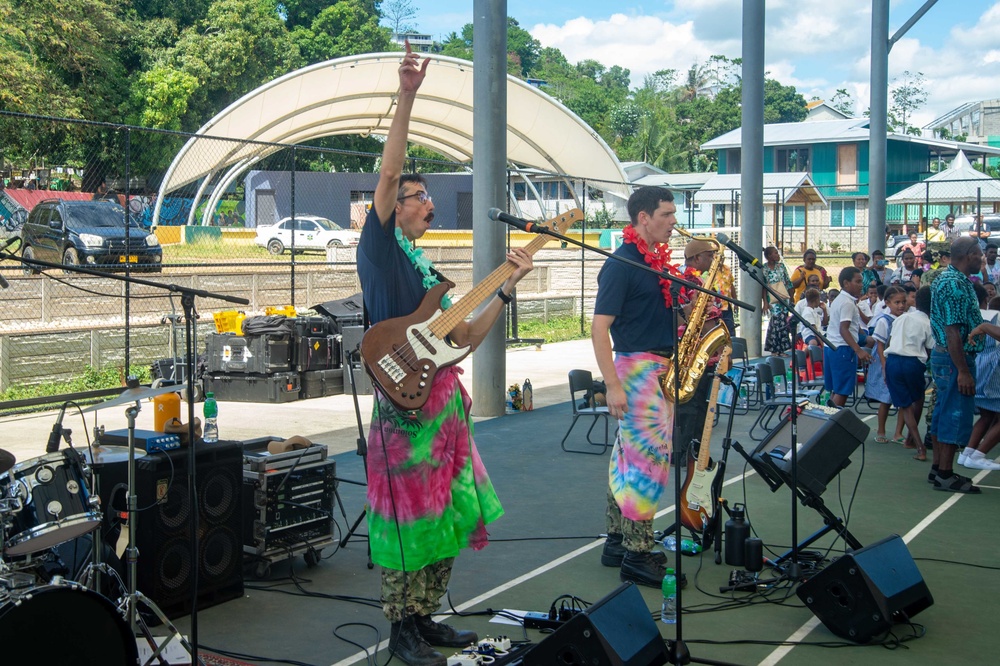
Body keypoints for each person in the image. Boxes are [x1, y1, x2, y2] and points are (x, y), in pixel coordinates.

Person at [356, 42, 534, 666]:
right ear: (393, 207)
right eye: (418, 196)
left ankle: (426, 616)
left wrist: (504, 285)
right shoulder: (378, 247)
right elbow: (388, 169)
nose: (428, 203)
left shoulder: (429, 271)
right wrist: (407, 95)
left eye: (428, 196)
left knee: (452, 508)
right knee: (409, 517)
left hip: (443, 402)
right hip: (402, 407)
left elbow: (466, 341)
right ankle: (400, 627)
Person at [593, 185, 682, 589]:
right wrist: (612, 385)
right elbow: (599, 329)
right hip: (637, 370)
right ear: (643, 217)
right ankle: (638, 553)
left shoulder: (653, 262)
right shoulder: (622, 263)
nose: (673, 221)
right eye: (666, 214)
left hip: (655, 367)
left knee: (627, 459)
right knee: (648, 460)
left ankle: (617, 541)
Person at [928, 237, 984, 494]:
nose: (982, 259)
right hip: (954, 357)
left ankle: (938, 467)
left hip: (944, 356)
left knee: (943, 410)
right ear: (969, 254)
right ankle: (946, 474)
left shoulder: (947, 278)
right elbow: (953, 331)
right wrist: (963, 370)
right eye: (979, 254)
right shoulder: (954, 284)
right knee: (955, 412)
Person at [885, 286, 935, 460]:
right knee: (918, 400)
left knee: (905, 406)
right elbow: (929, 350)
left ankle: (912, 441)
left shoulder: (902, 318)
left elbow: (890, 341)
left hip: (892, 360)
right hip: (912, 362)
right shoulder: (929, 323)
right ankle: (917, 445)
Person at [957, 291, 1000, 471]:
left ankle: (968, 452)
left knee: (987, 414)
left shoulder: (981, 314)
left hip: (980, 367)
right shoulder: (992, 319)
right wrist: (983, 326)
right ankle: (978, 454)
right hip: (993, 371)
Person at [864, 286, 907, 448]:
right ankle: (881, 431)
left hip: (900, 362)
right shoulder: (883, 321)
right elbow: (880, 346)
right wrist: (884, 366)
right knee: (885, 399)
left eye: (903, 302)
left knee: (903, 400)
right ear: (888, 303)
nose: (901, 305)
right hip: (886, 362)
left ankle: (898, 433)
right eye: (897, 302)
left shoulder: (906, 318)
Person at [824, 267, 872, 407]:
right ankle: (832, 424)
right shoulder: (847, 303)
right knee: (842, 391)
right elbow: (844, 329)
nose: (861, 285)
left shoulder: (840, 300)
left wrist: (864, 337)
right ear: (846, 283)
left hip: (831, 347)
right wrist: (859, 350)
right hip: (842, 349)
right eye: (857, 281)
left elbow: (850, 327)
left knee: (836, 390)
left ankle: (827, 422)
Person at [762, 246, 794, 356]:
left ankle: (781, 349)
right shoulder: (764, 269)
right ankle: (775, 349)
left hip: (784, 298)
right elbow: (764, 287)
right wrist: (765, 303)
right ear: (769, 256)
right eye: (775, 253)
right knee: (775, 323)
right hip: (773, 300)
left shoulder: (781, 267)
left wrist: (791, 297)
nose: (778, 255)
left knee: (784, 322)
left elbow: (788, 282)